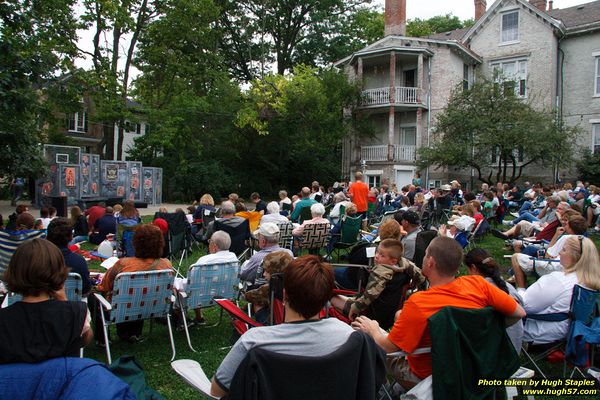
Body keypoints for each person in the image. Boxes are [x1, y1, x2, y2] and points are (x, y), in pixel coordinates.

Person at [352, 237, 525, 390]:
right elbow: (518, 312)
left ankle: (375, 390)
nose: (424, 257)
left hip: (427, 375)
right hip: (471, 364)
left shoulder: (419, 303)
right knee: (399, 316)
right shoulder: (478, 284)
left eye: (426, 254)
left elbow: (388, 347)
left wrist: (373, 329)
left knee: (369, 337)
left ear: (430, 262)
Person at [210, 255, 357, 398]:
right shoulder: (348, 335)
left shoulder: (253, 341)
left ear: (285, 296)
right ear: (327, 298)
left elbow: (217, 391)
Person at [0, 239, 93, 363]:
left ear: (14, 272)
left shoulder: (4, 319)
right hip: (61, 379)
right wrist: (63, 300)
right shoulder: (75, 312)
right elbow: (85, 338)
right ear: (58, 272)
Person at [96, 224, 173, 343]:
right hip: (152, 307)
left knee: (95, 297)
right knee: (141, 292)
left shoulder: (124, 264)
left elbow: (104, 286)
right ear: (160, 243)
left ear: (136, 243)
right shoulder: (166, 265)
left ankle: (102, 339)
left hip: (122, 309)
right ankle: (133, 333)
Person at [522, 236, 600, 345]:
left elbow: (523, 306)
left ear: (575, 257)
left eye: (564, 249)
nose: (559, 252)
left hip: (539, 331)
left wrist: (518, 290)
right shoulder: (588, 281)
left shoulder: (558, 280)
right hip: (569, 331)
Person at [331, 239, 424, 329]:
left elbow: (370, 295)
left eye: (382, 255)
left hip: (372, 317)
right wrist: (417, 285)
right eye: (377, 252)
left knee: (331, 298)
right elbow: (420, 275)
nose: (376, 256)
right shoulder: (405, 264)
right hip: (391, 314)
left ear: (393, 261)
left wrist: (355, 308)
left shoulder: (380, 273)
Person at [173, 231, 238, 328]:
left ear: (214, 245)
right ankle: (199, 318)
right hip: (225, 295)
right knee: (199, 286)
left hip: (201, 298)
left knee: (180, 288)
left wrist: (176, 282)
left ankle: (186, 321)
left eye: (209, 241)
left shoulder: (205, 261)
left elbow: (191, 284)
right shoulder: (234, 258)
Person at [465, 248, 524, 352]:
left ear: (473, 268)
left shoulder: (478, 293)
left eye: (467, 270)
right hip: (514, 350)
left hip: (492, 354)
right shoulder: (509, 287)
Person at [244, 251, 294, 324]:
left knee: (258, 304)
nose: (264, 274)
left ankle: (261, 324)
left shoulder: (271, 288)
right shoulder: (299, 284)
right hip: (299, 323)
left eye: (267, 271)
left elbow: (248, 296)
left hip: (276, 324)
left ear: (276, 273)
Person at [46, 218, 92, 296]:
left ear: (48, 236)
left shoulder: (37, 260)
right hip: (71, 305)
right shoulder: (78, 261)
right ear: (71, 237)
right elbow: (85, 289)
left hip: (42, 305)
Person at [0, 213, 46, 279]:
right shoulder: (39, 236)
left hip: (4, 277)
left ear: (17, 224)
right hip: (26, 278)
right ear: (33, 225)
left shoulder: (2, 236)